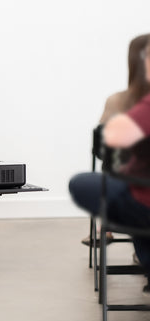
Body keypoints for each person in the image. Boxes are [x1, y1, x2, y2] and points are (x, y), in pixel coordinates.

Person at [69, 35, 150, 276]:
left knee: (107, 182)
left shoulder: (121, 102)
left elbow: (103, 149)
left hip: (135, 190)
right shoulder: (121, 101)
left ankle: (108, 228)